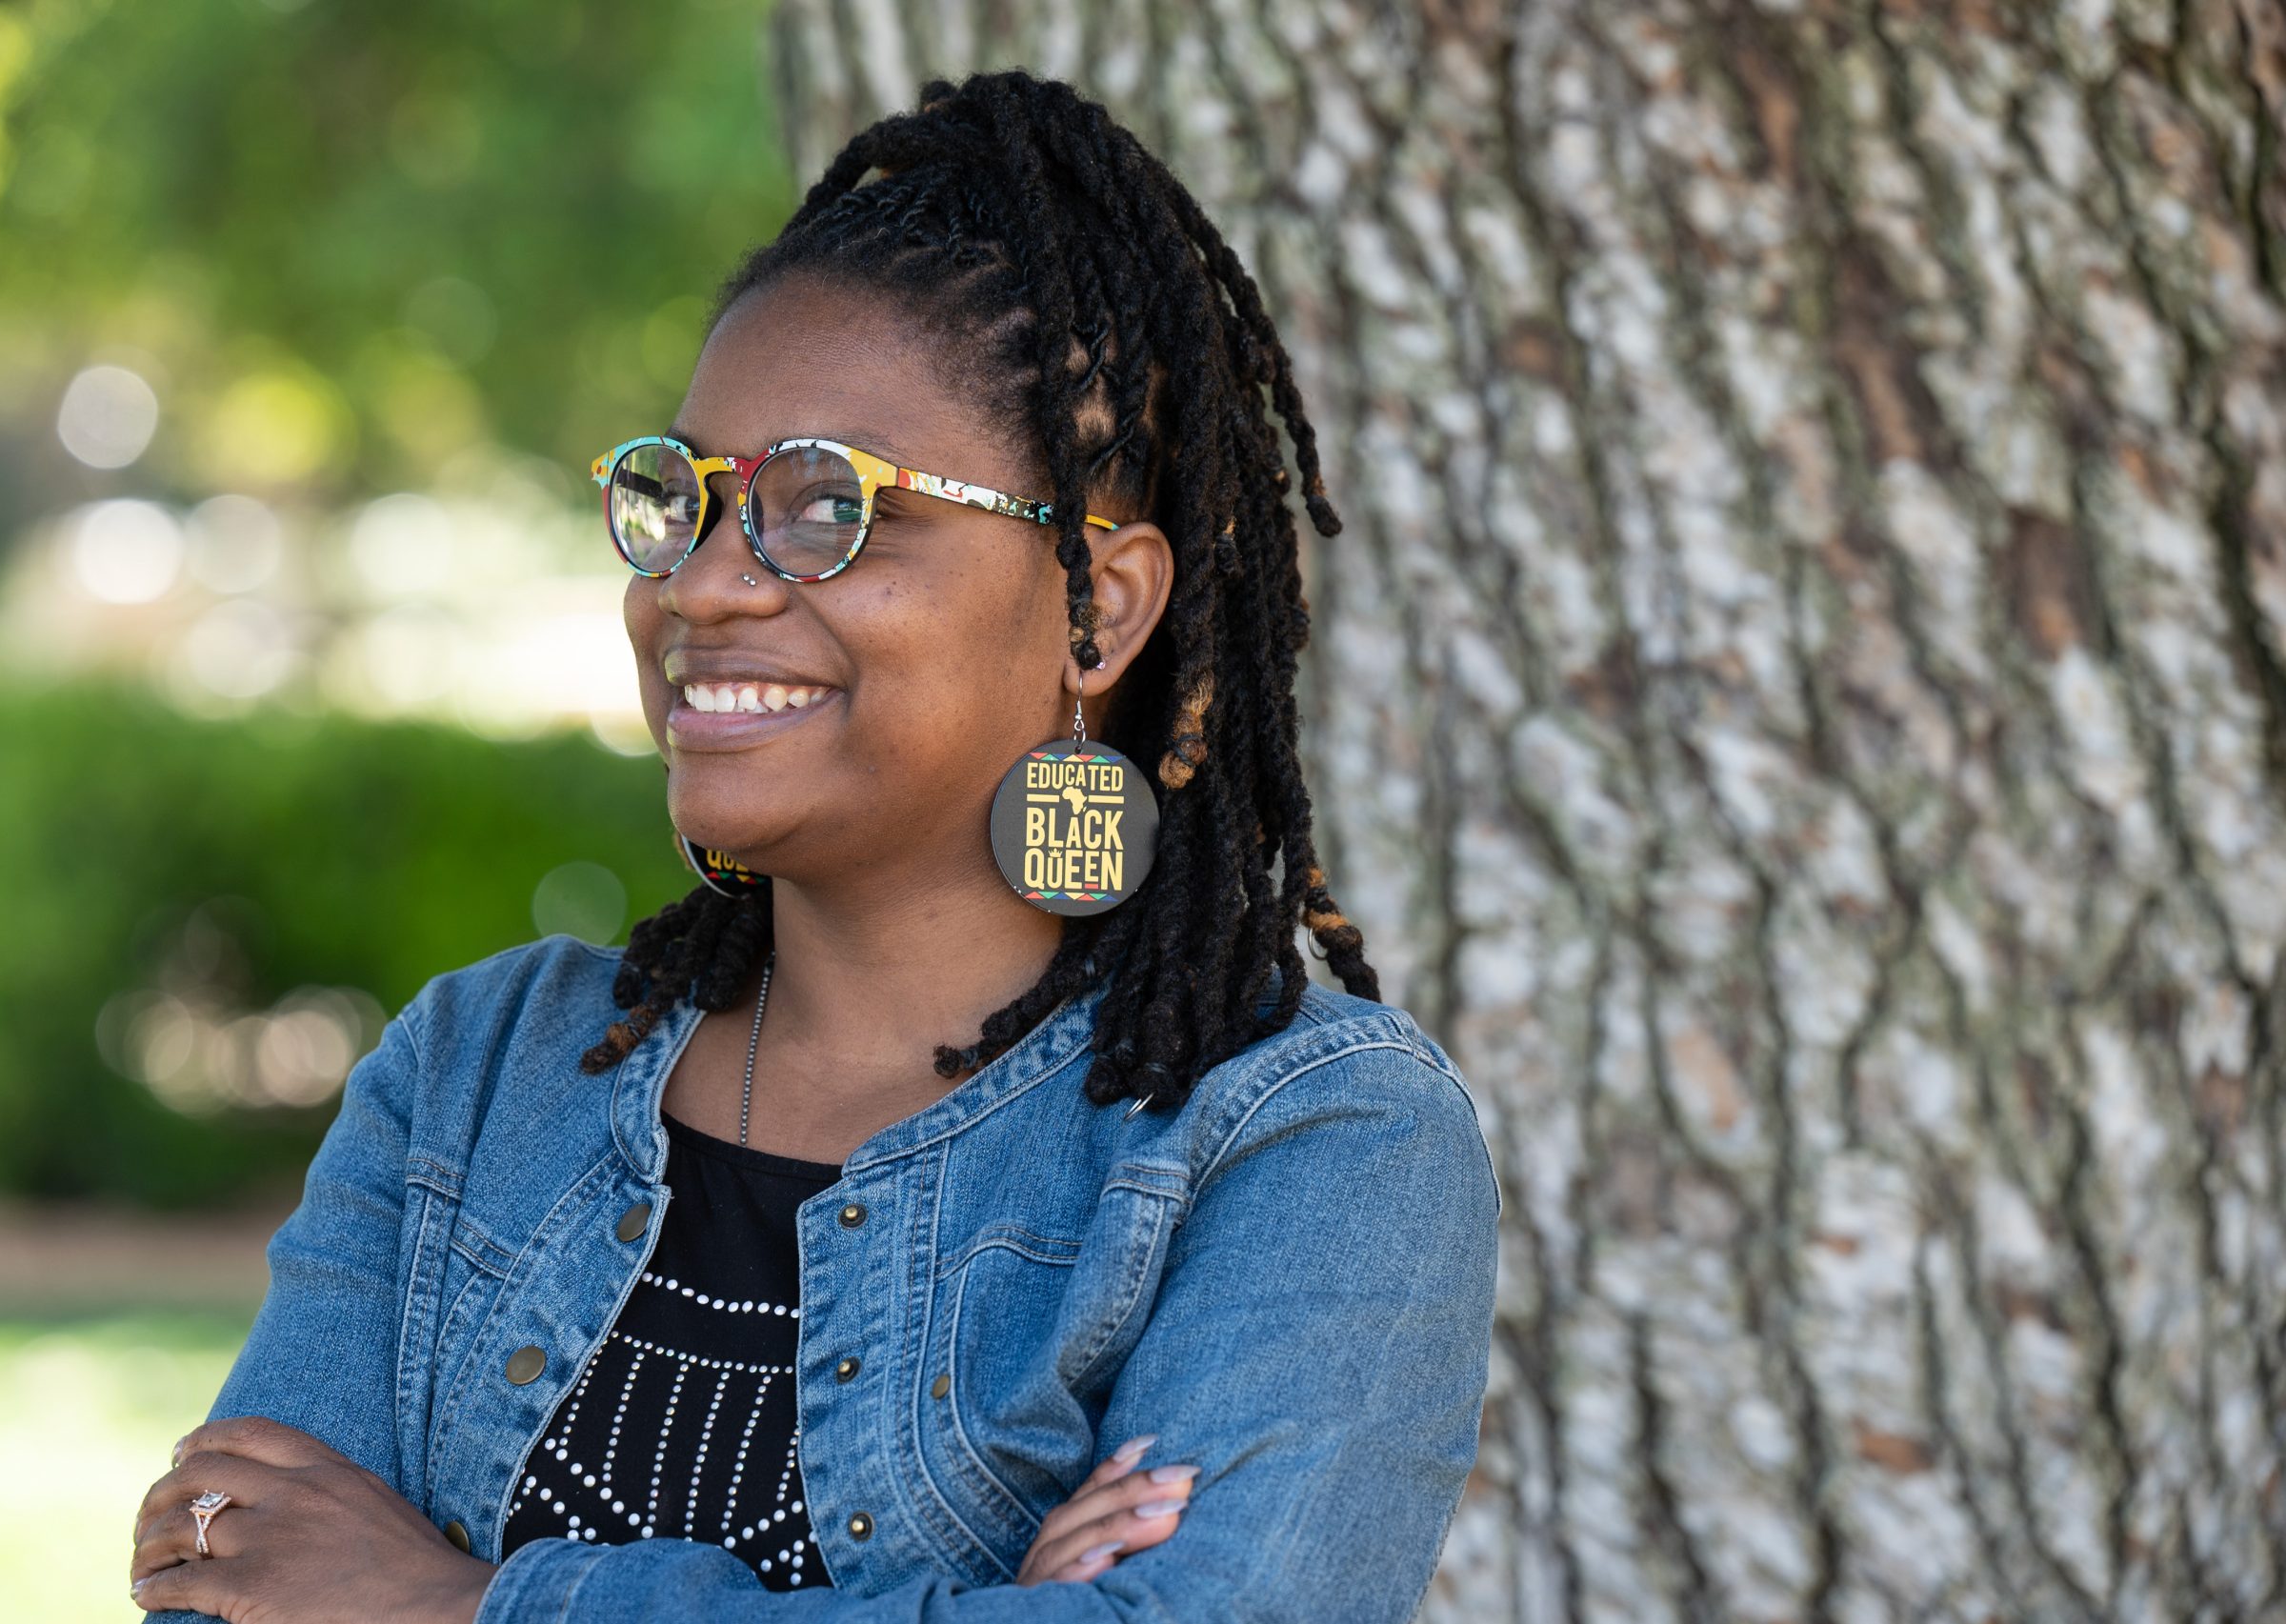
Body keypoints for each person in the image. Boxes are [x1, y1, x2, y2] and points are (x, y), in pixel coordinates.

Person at [129, 68, 1500, 1623]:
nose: (705, 584)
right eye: (686, 499)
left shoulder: (1300, 1139)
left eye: (827, 506)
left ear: (1097, 606)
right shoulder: (479, 1073)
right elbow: (223, 1587)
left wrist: (452, 1601)